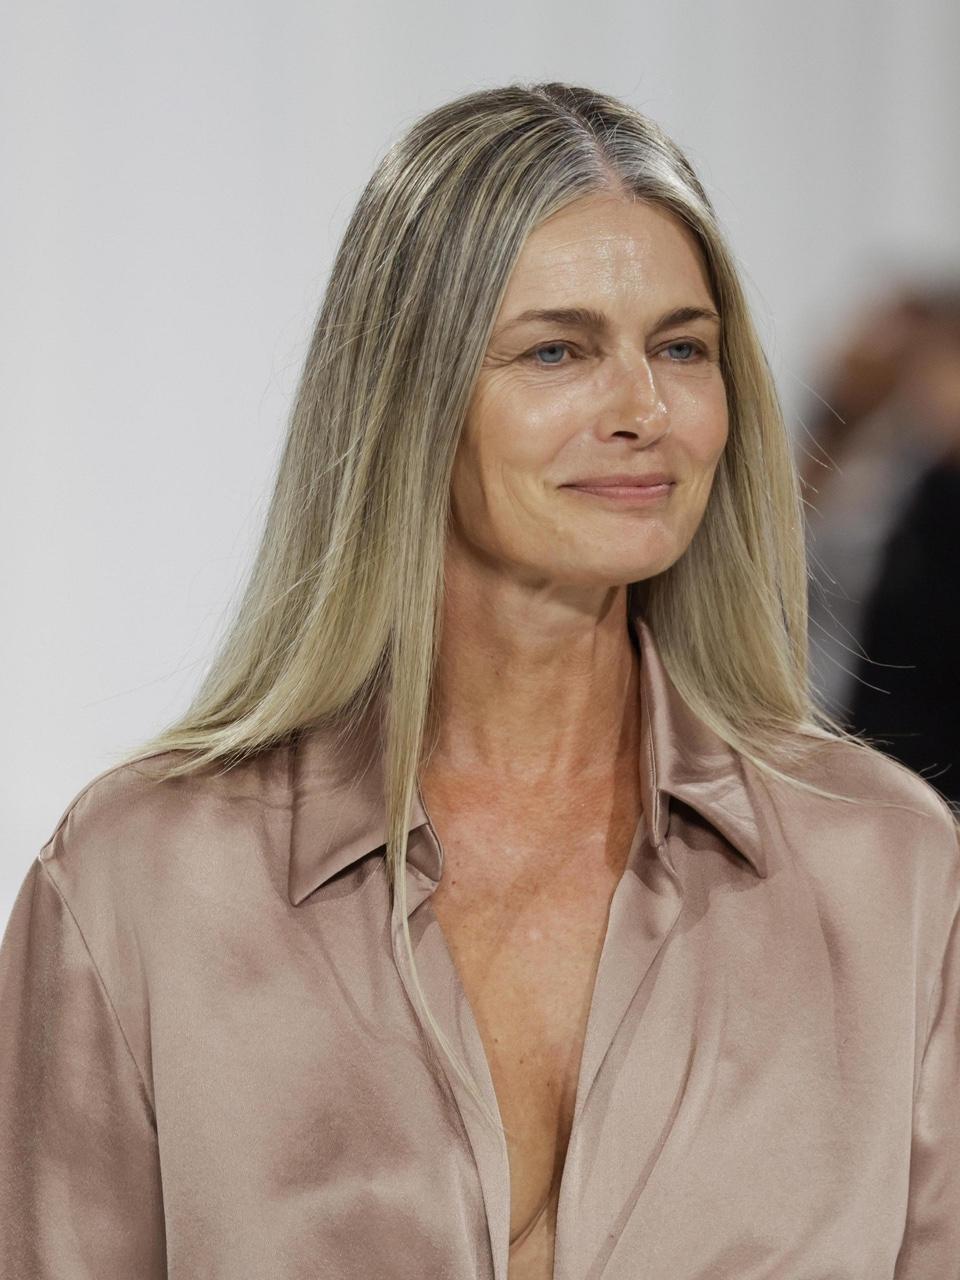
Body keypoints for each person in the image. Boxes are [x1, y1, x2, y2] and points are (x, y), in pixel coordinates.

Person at [1, 81, 958, 1280]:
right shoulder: (141, 879)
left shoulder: (889, 873)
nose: (644, 409)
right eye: (558, 349)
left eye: (682, 347)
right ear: (408, 394)